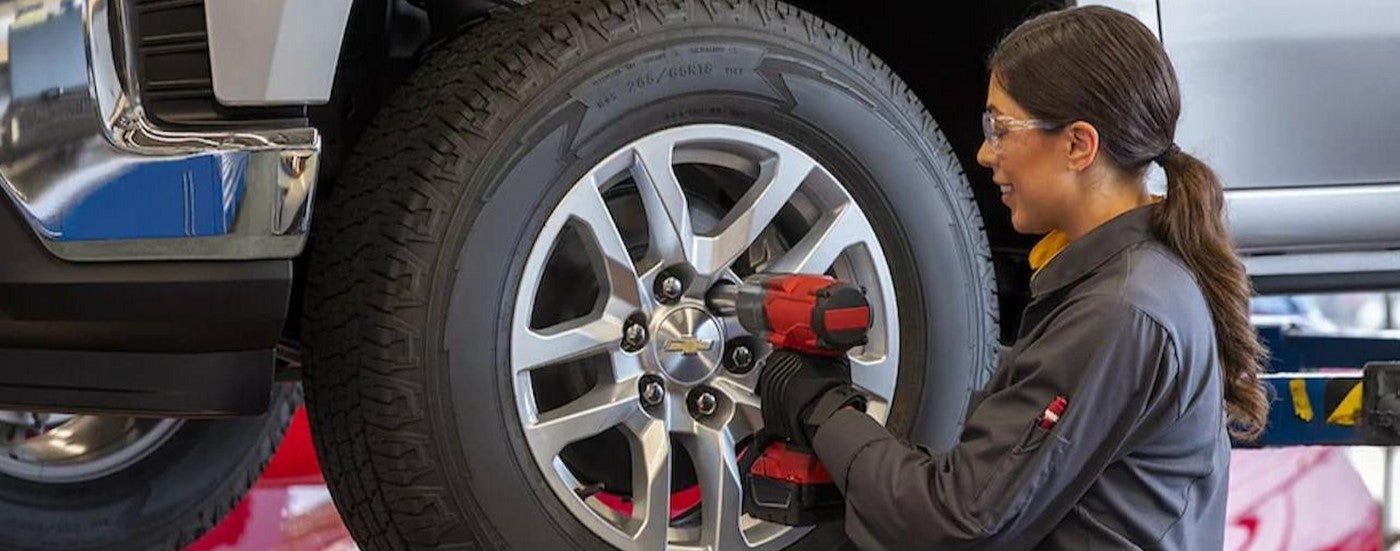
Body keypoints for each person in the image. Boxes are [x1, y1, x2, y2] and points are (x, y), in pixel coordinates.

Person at [756, 6, 1269, 550]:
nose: (984, 153)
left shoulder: (1119, 310)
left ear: (1078, 145)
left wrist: (821, 405)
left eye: (999, 129)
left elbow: (955, 523)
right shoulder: (1124, 280)